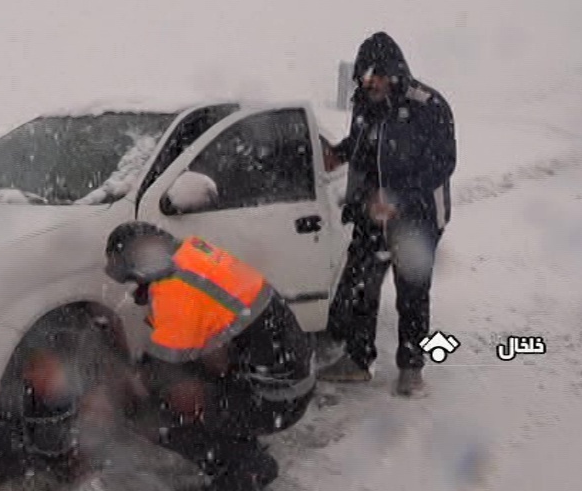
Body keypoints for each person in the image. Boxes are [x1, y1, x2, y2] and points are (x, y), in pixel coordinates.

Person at [103, 221, 316, 491]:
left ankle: (244, 469)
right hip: (288, 374)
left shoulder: (175, 293)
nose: (132, 287)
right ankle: (238, 441)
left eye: (131, 278)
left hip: (279, 398)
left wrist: (119, 387)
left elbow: (160, 373)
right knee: (188, 381)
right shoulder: (192, 251)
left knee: (154, 409)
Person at [316, 32, 456, 397]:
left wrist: (398, 199)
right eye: (364, 75)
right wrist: (342, 153)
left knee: (411, 290)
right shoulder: (367, 101)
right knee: (362, 284)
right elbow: (365, 142)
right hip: (373, 212)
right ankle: (359, 360)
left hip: (419, 215)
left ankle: (411, 369)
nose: (369, 82)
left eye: (375, 75)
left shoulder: (429, 105)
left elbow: (442, 164)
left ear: (394, 71)